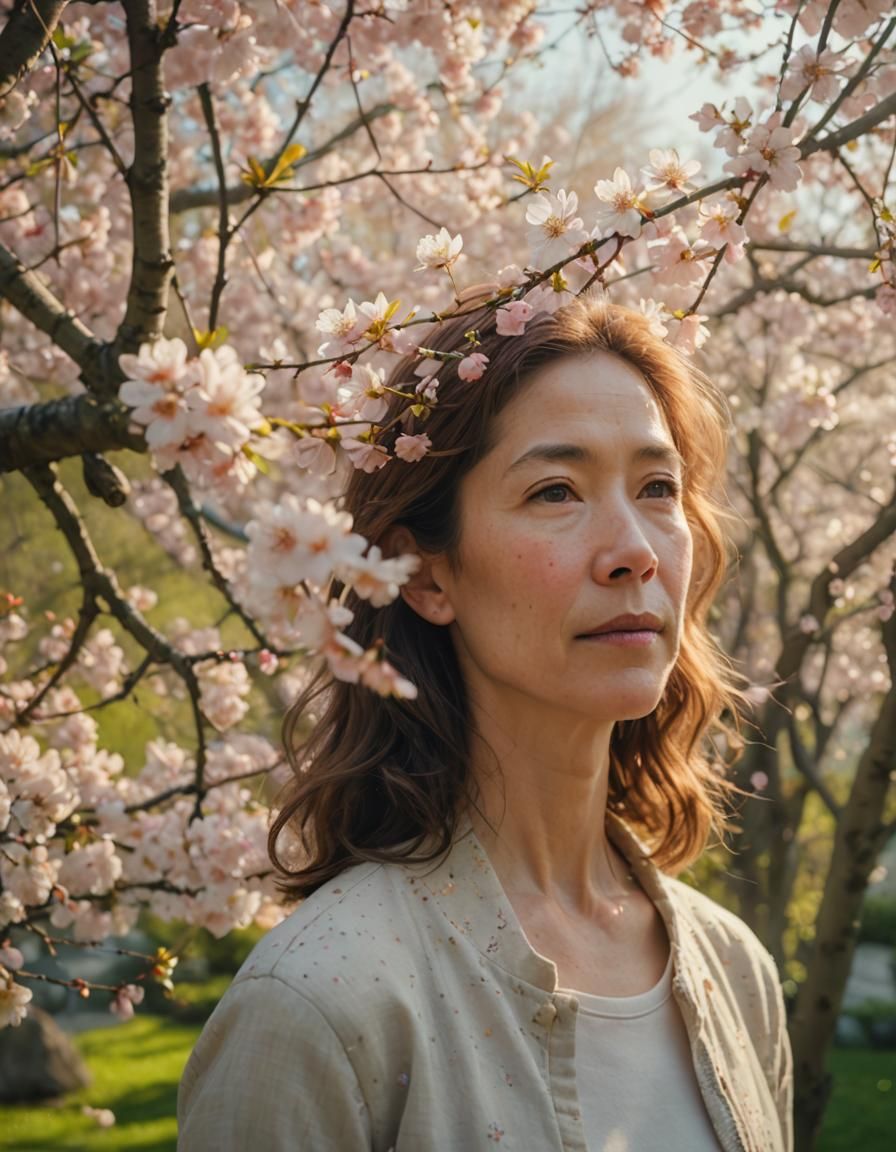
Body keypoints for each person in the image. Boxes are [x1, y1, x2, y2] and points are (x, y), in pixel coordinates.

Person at [177, 294, 793, 1151]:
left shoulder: (738, 976)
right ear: (424, 575)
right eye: (555, 491)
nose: (635, 550)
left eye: (659, 487)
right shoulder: (326, 1001)